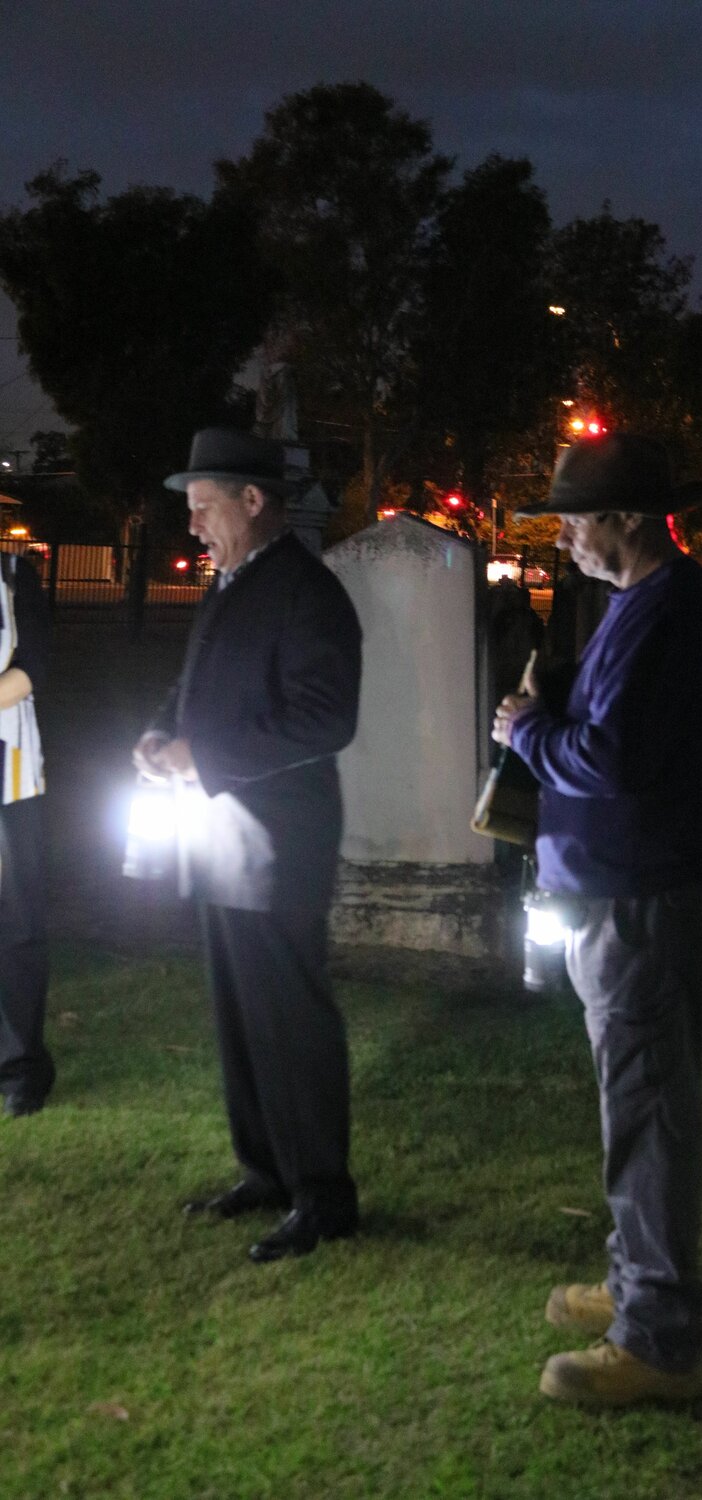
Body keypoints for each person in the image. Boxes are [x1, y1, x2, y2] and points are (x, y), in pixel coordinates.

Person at [492, 433, 702, 1407]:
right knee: (636, 1103)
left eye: (576, 522)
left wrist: (529, 731)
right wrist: (560, 701)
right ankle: (643, 1283)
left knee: (646, 1113)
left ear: (628, 521)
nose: (566, 542)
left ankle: (657, 1338)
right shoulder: (644, 604)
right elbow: (615, 728)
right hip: (618, 891)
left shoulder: (669, 609)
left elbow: (614, 761)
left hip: (639, 899)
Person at [132, 428, 362, 1263]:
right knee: (237, 1009)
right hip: (221, 828)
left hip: (281, 837)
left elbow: (327, 717)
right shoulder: (233, 583)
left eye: (203, 508)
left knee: (288, 1012)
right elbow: (197, 688)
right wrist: (162, 733)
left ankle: (321, 1193)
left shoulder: (307, 593)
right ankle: (263, 1168)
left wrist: (209, 757)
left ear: (253, 501)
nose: (192, 527)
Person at [0, 552, 53, 1118]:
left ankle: (20, 1070)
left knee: (16, 927)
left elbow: (36, 662)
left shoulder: (15, 574)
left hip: (8, 777)